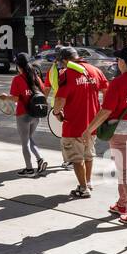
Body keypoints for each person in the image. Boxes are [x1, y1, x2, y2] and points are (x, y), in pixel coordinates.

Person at [87, 45, 127, 225]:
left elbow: (105, 111)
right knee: (125, 167)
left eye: (118, 59)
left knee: (125, 173)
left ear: (123, 62)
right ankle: (122, 205)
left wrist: (88, 129)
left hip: (122, 132)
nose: (117, 62)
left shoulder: (117, 83)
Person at [52, 45, 107, 198]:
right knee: (88, 155)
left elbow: (60, 99)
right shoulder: (95, 70)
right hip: (92, 123)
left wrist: (56, 112)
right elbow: (106, 90)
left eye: (61, 62)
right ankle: (88, 182)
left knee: (77, 158)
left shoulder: (66, 74)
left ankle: (83, 189)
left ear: (64, 60)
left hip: (74, 124)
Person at [6, 52, 50, 175]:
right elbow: (44, 92)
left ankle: (29, 168)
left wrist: (5, 97)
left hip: (23, 115)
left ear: (17, 66)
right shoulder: (36, 77)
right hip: (36, 114)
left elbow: (14, 98)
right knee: (29, 138)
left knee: (25, 143)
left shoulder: (17, 79)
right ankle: (40, 160)